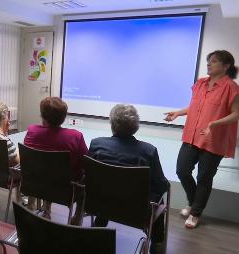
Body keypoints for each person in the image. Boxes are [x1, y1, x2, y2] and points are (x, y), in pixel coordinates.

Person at [164, 50, 239, 229]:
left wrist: (214, 124)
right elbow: (196, 106)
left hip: (214, 139)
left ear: (226, 66)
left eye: (213, 61)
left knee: (204, 177)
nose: (208, 64)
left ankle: (195, 213)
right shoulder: (200, 83)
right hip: (192, 134)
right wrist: (178, 113)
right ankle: (192, 202)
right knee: (182, 170)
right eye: (208, 61)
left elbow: (236, 114)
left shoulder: (231, 87)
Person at [89, 104, 168, 254]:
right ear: (135, 126)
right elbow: (160, 186)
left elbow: (89, 175)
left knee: (108, 186)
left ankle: (100, 223)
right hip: (135, 212)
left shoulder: (96, 144)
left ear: (112, 124)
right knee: (160, 200)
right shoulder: (148, 151)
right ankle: (157, 244)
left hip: (100, 204)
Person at [23, 97, 88, 224]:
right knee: (84, 179)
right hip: (66, 190)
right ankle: (77, 217)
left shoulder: (32, 131)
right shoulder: (75, 136)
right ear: (63, 117)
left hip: (35, 184)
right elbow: (85, 162)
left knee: (47, 171)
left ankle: (46, 210)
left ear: (42, 115)